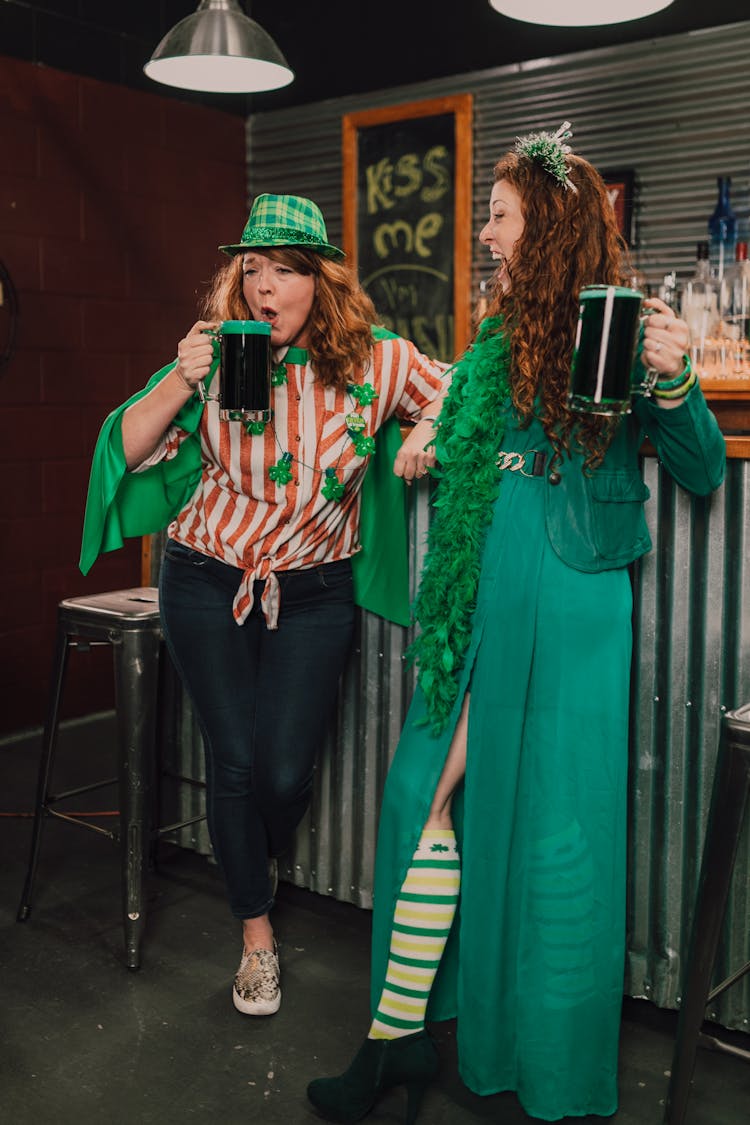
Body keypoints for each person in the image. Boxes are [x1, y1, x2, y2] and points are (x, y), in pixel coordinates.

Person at [306, 125, 727, 1122]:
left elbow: (703, 469)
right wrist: (432, 430)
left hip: (574, 594)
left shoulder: (617, 324)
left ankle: (539, 1063)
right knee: (421, 796)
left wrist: (674, 380)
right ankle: (401, 1039)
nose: (484, 234)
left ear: (544, 228)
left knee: (553, 830)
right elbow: (473, 421)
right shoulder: (497, 332)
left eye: (497, 216)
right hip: (485, 581)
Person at [79, 193, 449, 1017]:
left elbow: (462, 394)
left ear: (321, 281)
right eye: (252, 269)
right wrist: (182, 376)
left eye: (284, 270)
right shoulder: (213, 354)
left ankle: (252, 852)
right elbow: (129, 445)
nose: (264, 287)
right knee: (235, 762)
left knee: (281, 769)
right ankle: (256, 936)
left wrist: (426, 430)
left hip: (315, 589)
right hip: (207, 575)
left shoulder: (378, 362)